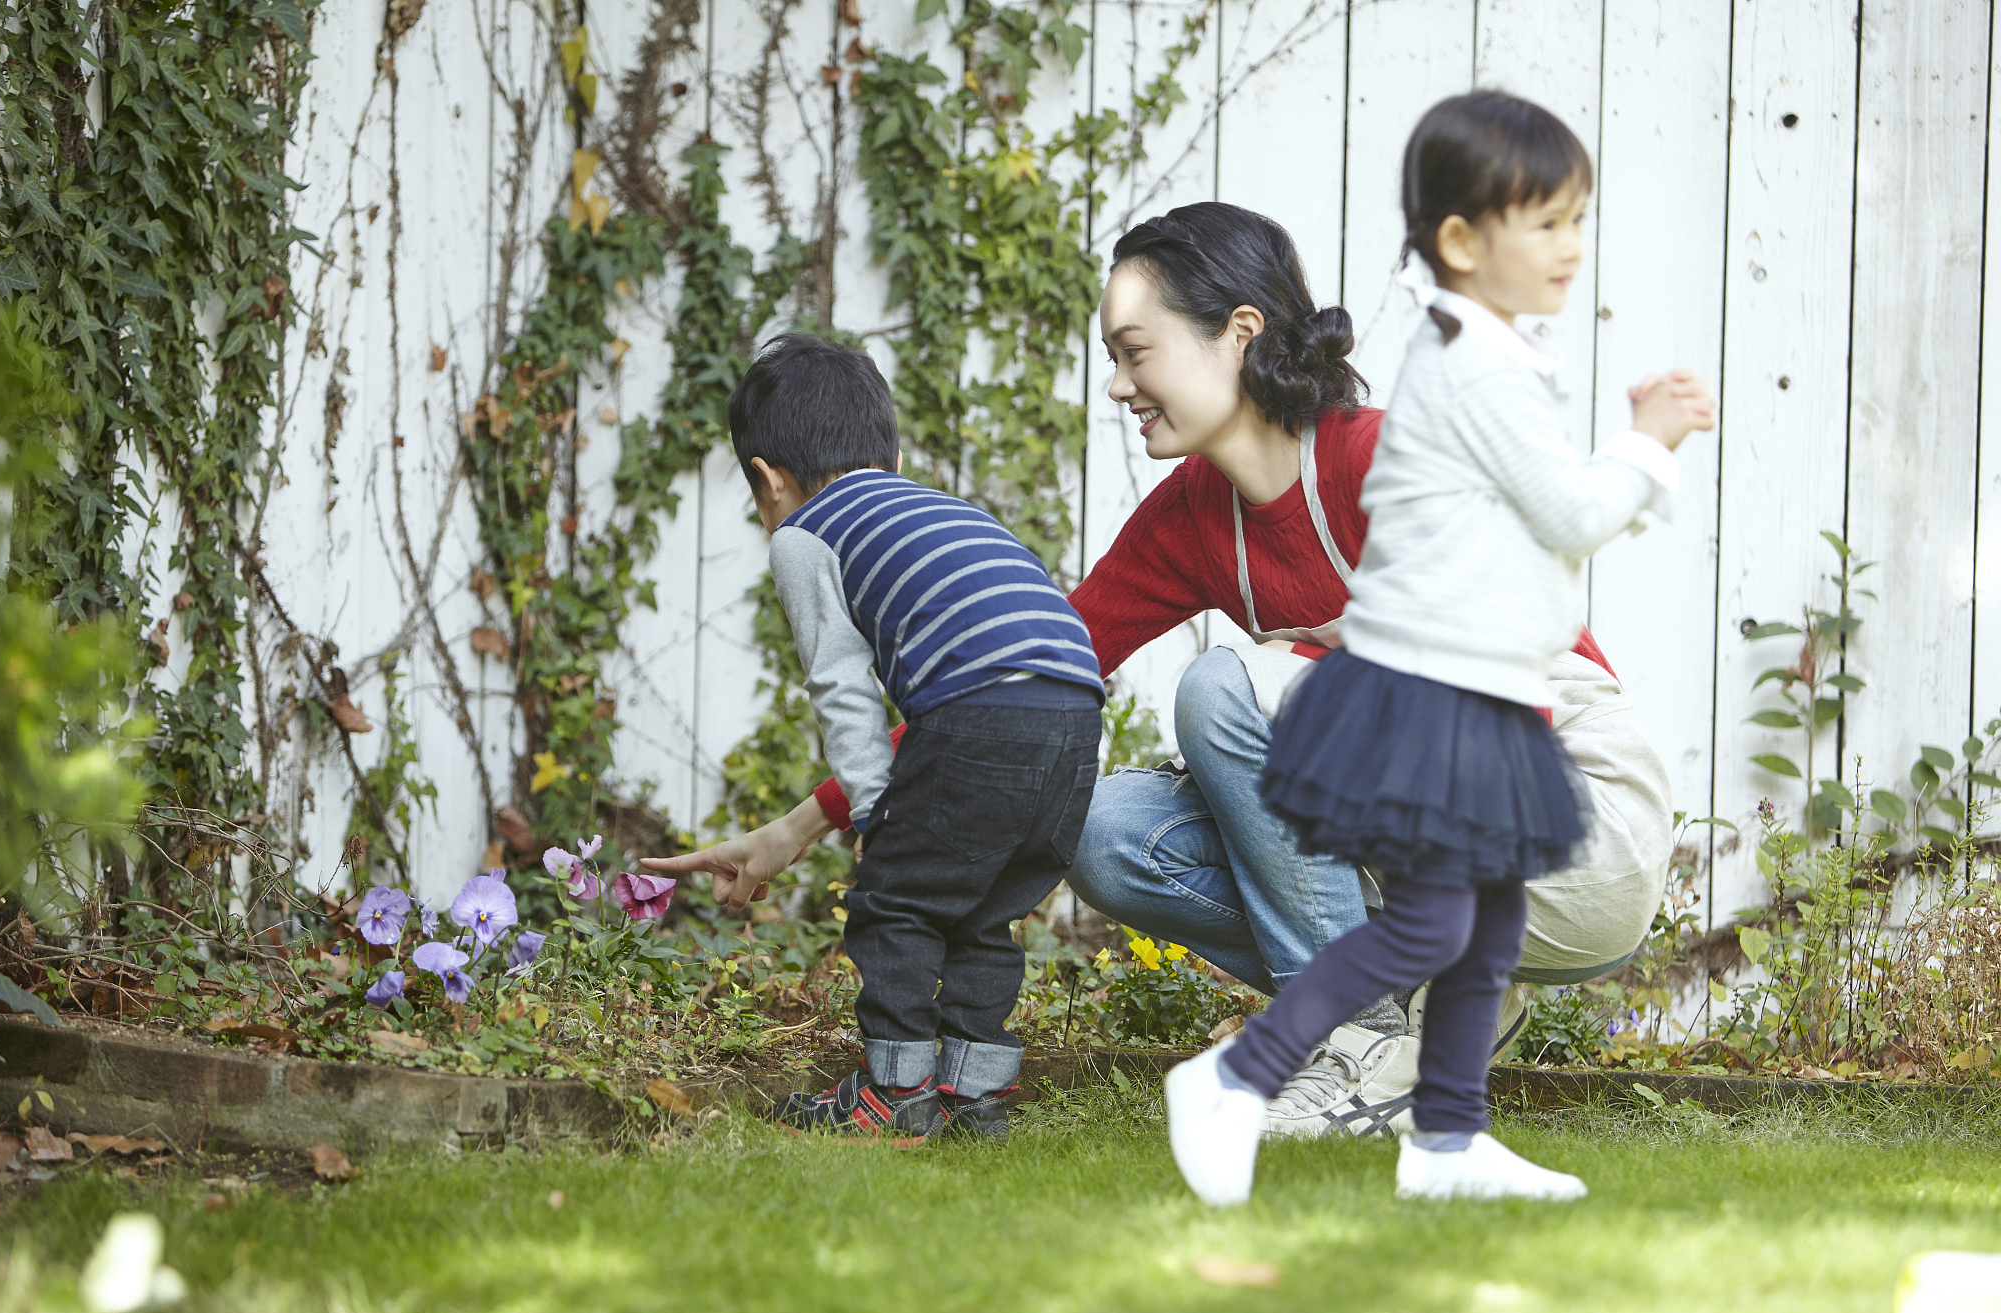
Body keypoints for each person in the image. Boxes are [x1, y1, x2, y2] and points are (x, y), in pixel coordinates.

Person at [645, 201, 1677, 1143]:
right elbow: (1001, 688)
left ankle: (1354, 1041)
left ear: (1238, 332)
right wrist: (796, 828)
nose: (1116, 384)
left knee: (1226, 690)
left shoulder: (1381, 457)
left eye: (1135, 351)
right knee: (1092, 828)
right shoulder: (1188, 520)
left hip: (1577, 830)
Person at [1162, 90, 1713, 1207]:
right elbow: (1567, 513)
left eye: (1575, 220)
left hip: (1488, 694)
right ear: (1461, 240)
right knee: (1434, 921)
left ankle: (1446, 1142)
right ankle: (1237, 1075)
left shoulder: (1487, 351)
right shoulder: (1475, 365)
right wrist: (1646, 446)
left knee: (1488, 923)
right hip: (1437, 699)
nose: (1569, 246)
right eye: (1546, 223)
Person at [730, 334, 1105, 1142]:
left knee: (894, 897)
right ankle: (975, 1095)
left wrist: (873, 815)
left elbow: (842, 688)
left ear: (768, 479)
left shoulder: (806, 534)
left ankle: (894, 1092)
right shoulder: (944, 510)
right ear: (890, 450)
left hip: (977, 713)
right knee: (982, 906)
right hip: (1076, 714)